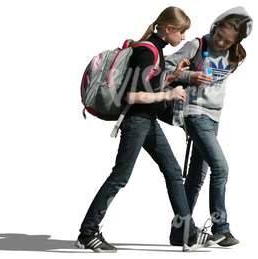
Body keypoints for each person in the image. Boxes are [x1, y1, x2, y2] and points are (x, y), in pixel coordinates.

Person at [76, 6, 224, 253]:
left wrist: (172, 76)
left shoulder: (155, 51)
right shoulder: (146, 51)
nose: (184, 37)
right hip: (136, 121)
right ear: (168, 30)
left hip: (147, 121)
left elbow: (148, 84)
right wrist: (170, 93)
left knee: (174, 172)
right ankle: (88, 232)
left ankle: (187, 234)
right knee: (120, 177)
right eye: (182, 32)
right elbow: (131, 95)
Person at [163, 6, 253, 247]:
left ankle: (180, 231)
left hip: (214, 119)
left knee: (196, 177)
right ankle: (220, 227)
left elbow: (216, 83)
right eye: (218, 35)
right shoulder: (196, 45)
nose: (220, 42)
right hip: (195, 115)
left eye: (226, 41)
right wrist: (189, 76)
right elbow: (164, 67)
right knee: (221, 168)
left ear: (236, 42)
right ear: (214, 27)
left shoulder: (234, 56)